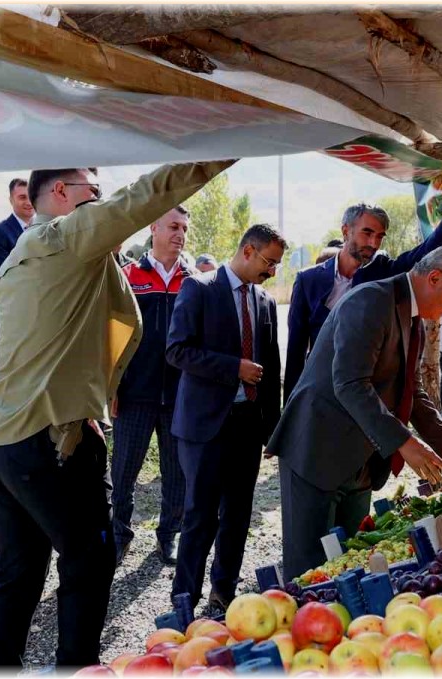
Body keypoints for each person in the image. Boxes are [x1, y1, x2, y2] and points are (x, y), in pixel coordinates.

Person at [0, 161, 233, 668]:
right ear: (65, 194)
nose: (101, 199)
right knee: (88, 562)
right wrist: (217, 147)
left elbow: (87, 332)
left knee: (18, 573)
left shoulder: (20, 252)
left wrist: (95, 395)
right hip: (49, 438)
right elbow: (144, 197)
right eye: (94, 190)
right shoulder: (67, 237)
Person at [268, 244, 442, 578]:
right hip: (316, 451)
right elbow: (350, 384)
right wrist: (404, 441)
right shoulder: (371, 300)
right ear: (434, 278)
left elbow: (409, 389)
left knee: (349, 564)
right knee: (310, 573)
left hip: (360, 459)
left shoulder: (411, 312)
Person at [284, 169, 442, 402]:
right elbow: (295, 351)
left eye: (380, 236)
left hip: (364, 393)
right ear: (345, 231)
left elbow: (425, 252)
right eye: (367, 233)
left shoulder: (383, 270)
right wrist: (290, 406)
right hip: (319, 392)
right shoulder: (308, 280)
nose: (373, 242)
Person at [166, 224, 285, 613]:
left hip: (248, 426)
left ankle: (224, 594)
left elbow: (271, 370)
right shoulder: (199, 288)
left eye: (277, 265)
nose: (272, 272)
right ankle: (184, 598)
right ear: (248, 251)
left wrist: (274, 429)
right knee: (199, 515)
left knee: (237, 514)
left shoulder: (265, 301)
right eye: (269, 262)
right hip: (204, 426)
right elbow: (177, 351)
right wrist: (233, 367)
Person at [113, 206, 193, 567]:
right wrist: (112, 386)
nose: (180, 234)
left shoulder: (193, 281)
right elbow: (113, 336)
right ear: (154, 226)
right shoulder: (127, 277)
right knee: (124, 471)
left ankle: (168, 536)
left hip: (179, 397)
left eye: (185, 229)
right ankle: (118, 534)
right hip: (134, 394)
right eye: (174, 226)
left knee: (176, 473)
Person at [0, 177, 34, 337]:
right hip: (11, 312)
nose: (28, 202)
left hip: (39, 312)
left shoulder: (43, 229)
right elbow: (5, 273)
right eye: (22, 197)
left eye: (31, 196)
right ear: (11, 199)